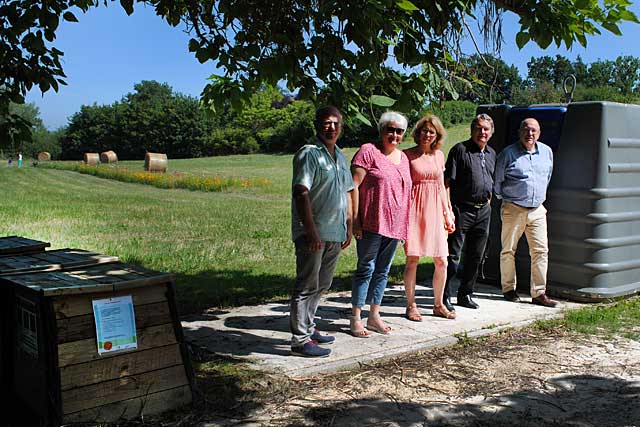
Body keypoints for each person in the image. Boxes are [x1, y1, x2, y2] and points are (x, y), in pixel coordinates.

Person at [290, 106, 355, 357]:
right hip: (313, 234)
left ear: (341, 127)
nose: (332, 128)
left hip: (334, 232)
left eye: (336, 123)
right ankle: (300, 340)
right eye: (327, 123)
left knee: (322, 283)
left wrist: (349, 225)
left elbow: (347, 192)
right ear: (317, 125)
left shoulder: (339, 156)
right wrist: (311, 232)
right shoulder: (309, 154)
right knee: (306, 284)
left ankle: (309, 327)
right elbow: (301, 192)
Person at [350, 111, 411, 337]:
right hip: (372, 223)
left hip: (394, 225)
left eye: (399, 131)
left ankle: (374, 315)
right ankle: (356, 317)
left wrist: (405, 224)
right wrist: (355, 220)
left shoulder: (403, 157)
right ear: (381, 130)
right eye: (390, 129)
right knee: (366, 268)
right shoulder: (368, 151)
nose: (394, 135)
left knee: (383, 271)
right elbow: (353, 187)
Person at [494, 117, 557, 307]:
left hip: (537, 210)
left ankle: (538, 293)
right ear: (519, 132)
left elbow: (547, 177)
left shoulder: (547, 152)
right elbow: (497, 181)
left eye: (533, 130)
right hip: (513, 209)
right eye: (526, 130)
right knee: (508, 251)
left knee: (541, 251)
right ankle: (508, 289)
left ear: (539, 133)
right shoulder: (508, 154)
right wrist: (507, 200)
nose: (530, 134)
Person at [403, 115, 456, 321]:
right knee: (413, 259)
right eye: (424, 130)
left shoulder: (439, 156)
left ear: (437, 135)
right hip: (414, 210)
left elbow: (442, 187)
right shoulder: (406, 155)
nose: (427, 134)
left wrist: (447, 212)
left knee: (442, 260)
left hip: (435, 209)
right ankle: (411, 305)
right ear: (418, 132)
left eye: (431, 132)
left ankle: (438, 304)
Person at [443, 114, 497, 311]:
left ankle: (465, 294)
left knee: (476, 255)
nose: (482, 132)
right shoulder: (460, 150)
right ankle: (444, 295)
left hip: (483, 211)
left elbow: (490, 180)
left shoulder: (491, 153)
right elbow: (447, 182)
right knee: (453, 256)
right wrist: (448, 209)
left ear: (491, 133)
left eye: (486, 129)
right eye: (478, 128)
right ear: (472, 130)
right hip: (461, 209)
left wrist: (487, 201)